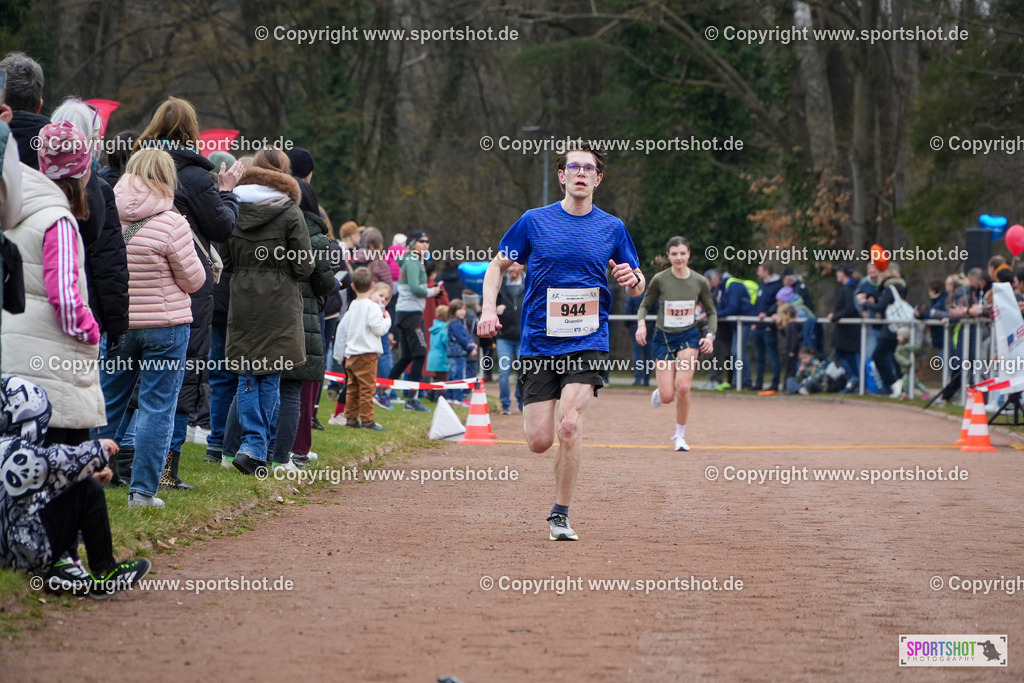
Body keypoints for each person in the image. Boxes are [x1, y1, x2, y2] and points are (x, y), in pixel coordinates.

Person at [477, 142, 644, 541]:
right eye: (575, 167)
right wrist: (487, 309)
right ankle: (552, 476)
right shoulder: (534, 222)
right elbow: (496, 266)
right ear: (562, 176)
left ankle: (560, 513)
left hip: (588, 339)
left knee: (570, 424)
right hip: (538, 342)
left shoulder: (612, 228)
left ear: (598, 179)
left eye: (589, 168)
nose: (582, 173)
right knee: (539, 441)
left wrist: (632, 281)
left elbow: (636, 283)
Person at [133, 97, 243, 484]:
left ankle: (119, 463)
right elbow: (222, 226)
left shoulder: (133, 170)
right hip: (182, 288)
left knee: (129, 381)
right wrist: (227, 191)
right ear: (191, 131)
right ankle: (164, 468)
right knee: (178, 380)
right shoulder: (195, 177)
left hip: (131, 285)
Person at [99, 148, 206, 507]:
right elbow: (193, 280)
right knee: (157, 407)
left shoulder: (107, 214)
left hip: (120, 324)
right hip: (166, 327)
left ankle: (87, 479)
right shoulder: (173, 222)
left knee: (109, 404)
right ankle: (142, 491)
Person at [2, 120, 106, 447]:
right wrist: (91, 330)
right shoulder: (58, 220)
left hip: (20, 362)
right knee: (68, 481)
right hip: (53, 369)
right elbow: (63, 294)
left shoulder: (19, 210)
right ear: (82, 171)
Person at [0, 375, 151, 598]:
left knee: (83, 485)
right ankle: (104, 573)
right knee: (88, 490)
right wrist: (96, 450)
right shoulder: (10, 449)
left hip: (10, 542)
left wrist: (80, 477)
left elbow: (31, 486)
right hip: (20, 550)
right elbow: (52, 461)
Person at [222, 153, 314, 475]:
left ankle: (251, 445)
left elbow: (226, 261)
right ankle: (258, 446)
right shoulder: (289, 211)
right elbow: (304, 265)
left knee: (247, 376)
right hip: (279, 304)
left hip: (244, 301)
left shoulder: (233, 207)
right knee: (271, 375)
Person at [637, 236, 715, 452]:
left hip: (689, 336)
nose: (679, 257)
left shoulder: (699, 281)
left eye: (682, 253)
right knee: (668, 396)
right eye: (674, 254)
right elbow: (644, 305)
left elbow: (711, 311)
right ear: (668, 256)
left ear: (689, 254)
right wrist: (641, 325)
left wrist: (710, 336)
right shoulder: (660, 280)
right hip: (663, 337)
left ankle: (680, 435)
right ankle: (661, 393)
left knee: (683, 387)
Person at [388, 230, 441, 412]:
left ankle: (382, 391)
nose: (426, 244)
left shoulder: (414, 260)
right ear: (412, 244)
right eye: (422, 241)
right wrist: (432, 291)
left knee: (408, 357)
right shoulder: (412, 261)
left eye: (427, 242)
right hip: (410, 314)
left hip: (407, 313)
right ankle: (411, 400)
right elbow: (415, 289)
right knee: (420, 354)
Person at [339, 267, 391, 430]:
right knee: (367, 389)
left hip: (351, 354)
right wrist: (387, 320)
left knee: (352, 388)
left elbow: (342, 330)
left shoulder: (352, 306)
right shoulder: (372, 307)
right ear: (372, 286)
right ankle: (368, 420)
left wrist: (339, 354)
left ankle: (351, 418)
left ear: (353, 286)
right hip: (367, 354)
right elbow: (379, 329)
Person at [859, 262, 908, 397]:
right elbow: (879, 295)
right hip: (895, 328)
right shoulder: (897, 286)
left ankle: (891, 384)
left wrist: (866, 303)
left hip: (891, 328)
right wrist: (872, 297)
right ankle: (900, 386)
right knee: (894, 357)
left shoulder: (891, 288)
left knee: (878, 355)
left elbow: (881, 306)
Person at [496, 262, 526, 412]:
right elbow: (485, 303)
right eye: (510, 266)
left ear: (522, 266)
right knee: (503, 372)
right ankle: (505, 404)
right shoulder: (499, 282)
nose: (512, 269)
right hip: (504, 336)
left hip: (524, 336)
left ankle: (521, 402)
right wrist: (495, 309)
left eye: (516, 266)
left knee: (523, 372)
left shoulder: (530, 282)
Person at [826, 263, 860, 393]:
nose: (836, 275)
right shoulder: (847, 287)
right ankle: (854, 379)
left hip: (848, 330)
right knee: (845, 354)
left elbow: (849, 308)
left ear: (842, 272)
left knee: (842, 354)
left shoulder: (848, 288)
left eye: (837, 272)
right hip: (845, 329)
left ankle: (854, 377)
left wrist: (835, 316)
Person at [751, 262, 783, 392]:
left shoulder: (777, 286)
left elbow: (777, 304)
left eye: (760, 270)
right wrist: (754, 321)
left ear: (767, 271)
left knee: (772, 355)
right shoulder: (762, 286)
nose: (758, 273)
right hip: (758, 326)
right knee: (759, 356)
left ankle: (775, 383)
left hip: (769, 327)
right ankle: (758, 382)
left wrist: (768, 314)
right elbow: (758, 304)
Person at [446, 299, 477, 406]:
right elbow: (461, 338)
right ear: (453, 311)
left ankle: (450, 397)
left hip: (457, 354)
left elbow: (467, 336)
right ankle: (458, 398)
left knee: (452, 375)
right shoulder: (454, 324)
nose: (462, 312)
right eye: (459, 309)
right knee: (458, 376)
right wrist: (470, 348)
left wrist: (472, 343)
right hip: (457, 354)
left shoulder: (460, 323)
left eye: (464, 309)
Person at [425, 304, 450, 401]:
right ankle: (439, 397)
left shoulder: (434, 328)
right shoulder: (444, 329)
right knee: (442, 379)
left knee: (436, 378)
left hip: (432, 357)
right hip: (442, 357)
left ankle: (431, 394)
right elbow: (446, 342)